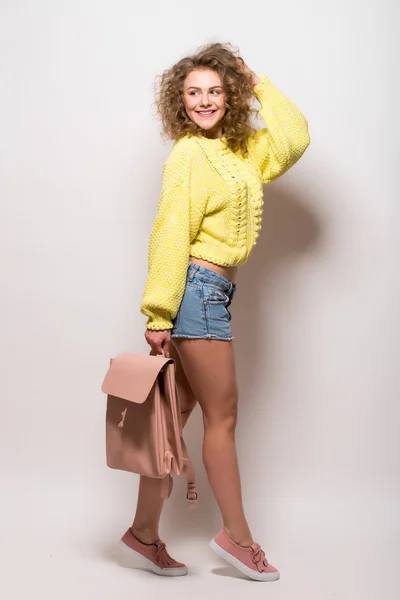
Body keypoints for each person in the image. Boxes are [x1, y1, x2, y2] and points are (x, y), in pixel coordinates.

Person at [119, 42, 310, 581]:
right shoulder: (187, 155)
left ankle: (142, 534)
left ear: (230, 94)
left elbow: (295, 138)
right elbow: (170, 233)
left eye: (216, 90)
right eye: (193, 93)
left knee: (174, 422)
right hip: (197, 293)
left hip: (214, 294)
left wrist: (255, 79)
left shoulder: (241, 151)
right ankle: (238, 538)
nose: (204, 101)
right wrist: (158, 314)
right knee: (222, 419)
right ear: (180, 101)